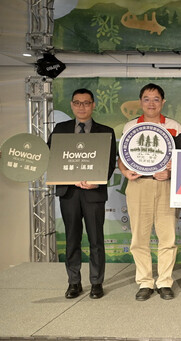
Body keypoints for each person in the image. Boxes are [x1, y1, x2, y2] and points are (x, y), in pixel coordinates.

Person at [118, 83, 181, 301]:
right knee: (139, 237)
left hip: (166, 186)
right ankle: (145, 282)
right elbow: (121, 157)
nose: (151, 103)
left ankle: (165, 281)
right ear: (140, 102)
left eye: (156, 99)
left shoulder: (174, 126)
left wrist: (170, 173)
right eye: (147, 98)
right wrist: (124, 172)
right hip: (139, 186)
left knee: (168, 236)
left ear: (163, 102)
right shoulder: (131, 126)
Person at [47, 88, 117, 299]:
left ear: (93, 105)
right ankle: (74, 282)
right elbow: (51, 157)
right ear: (71, 105)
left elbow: (109, 162)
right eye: (77, 103)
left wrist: (96, 182)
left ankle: (96, 282)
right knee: (72, 238)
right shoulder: (60, 129)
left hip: (93, 194)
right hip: (69, 193)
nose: (82, 107)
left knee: (96, 240)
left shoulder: (106, 131)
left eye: (86, 103)